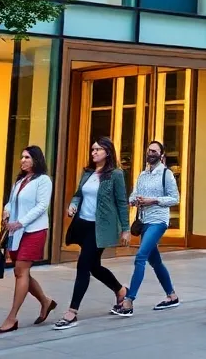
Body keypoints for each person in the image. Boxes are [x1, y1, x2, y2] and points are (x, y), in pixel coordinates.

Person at [53, 137, 128, 330]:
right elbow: (79, 193)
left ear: (108, 152)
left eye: (98, 149)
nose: (94, 152)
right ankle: (121, 290)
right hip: (83, 225)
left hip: (100, 228)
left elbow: (121, 202)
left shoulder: (116, 175)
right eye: (92, 149)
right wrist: (73, 204)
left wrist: (126, 229)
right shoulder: (87, 172)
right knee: (94, 266)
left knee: (83, 266)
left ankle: (72, 312)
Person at [0, 146, 56, 333]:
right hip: (16, 231)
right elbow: (12, 202)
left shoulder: (44, 180)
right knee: (21, 272)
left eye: (27, 157)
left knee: (21, 271)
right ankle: (46, 301)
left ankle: (12, 318)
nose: (23, 160)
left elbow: (42, 206)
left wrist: (20, 222)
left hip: (33, 231)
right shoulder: (20, 180)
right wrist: (6, 212)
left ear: (36, 159)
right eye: (22, 157)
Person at [114, 140, 180, 316]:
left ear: (161, 155)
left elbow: (175, 199)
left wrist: (154, 200)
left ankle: (129, 300)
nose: (150, 153)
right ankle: (172, 296)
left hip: (158, 221)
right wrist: (134, 200)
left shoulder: (166, 174)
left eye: (154, 151)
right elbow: (133, 194)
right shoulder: (142, 175)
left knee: (141, 256)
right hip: (143, 221)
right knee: (155, 261)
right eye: (149, 150)